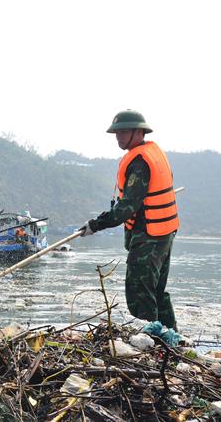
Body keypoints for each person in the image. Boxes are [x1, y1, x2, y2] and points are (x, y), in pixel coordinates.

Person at [79, 110, 180, 330]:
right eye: (117, 132)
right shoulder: (153, 153)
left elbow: (127, 207)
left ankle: (151, 342)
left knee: (139, 292)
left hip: (149, 236)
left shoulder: (140, 161)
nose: (119, 137)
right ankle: (173, 339)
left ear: (138, 131)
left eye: (123, 132)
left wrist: (95, 225)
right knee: (156, 291)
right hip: (164, 232)